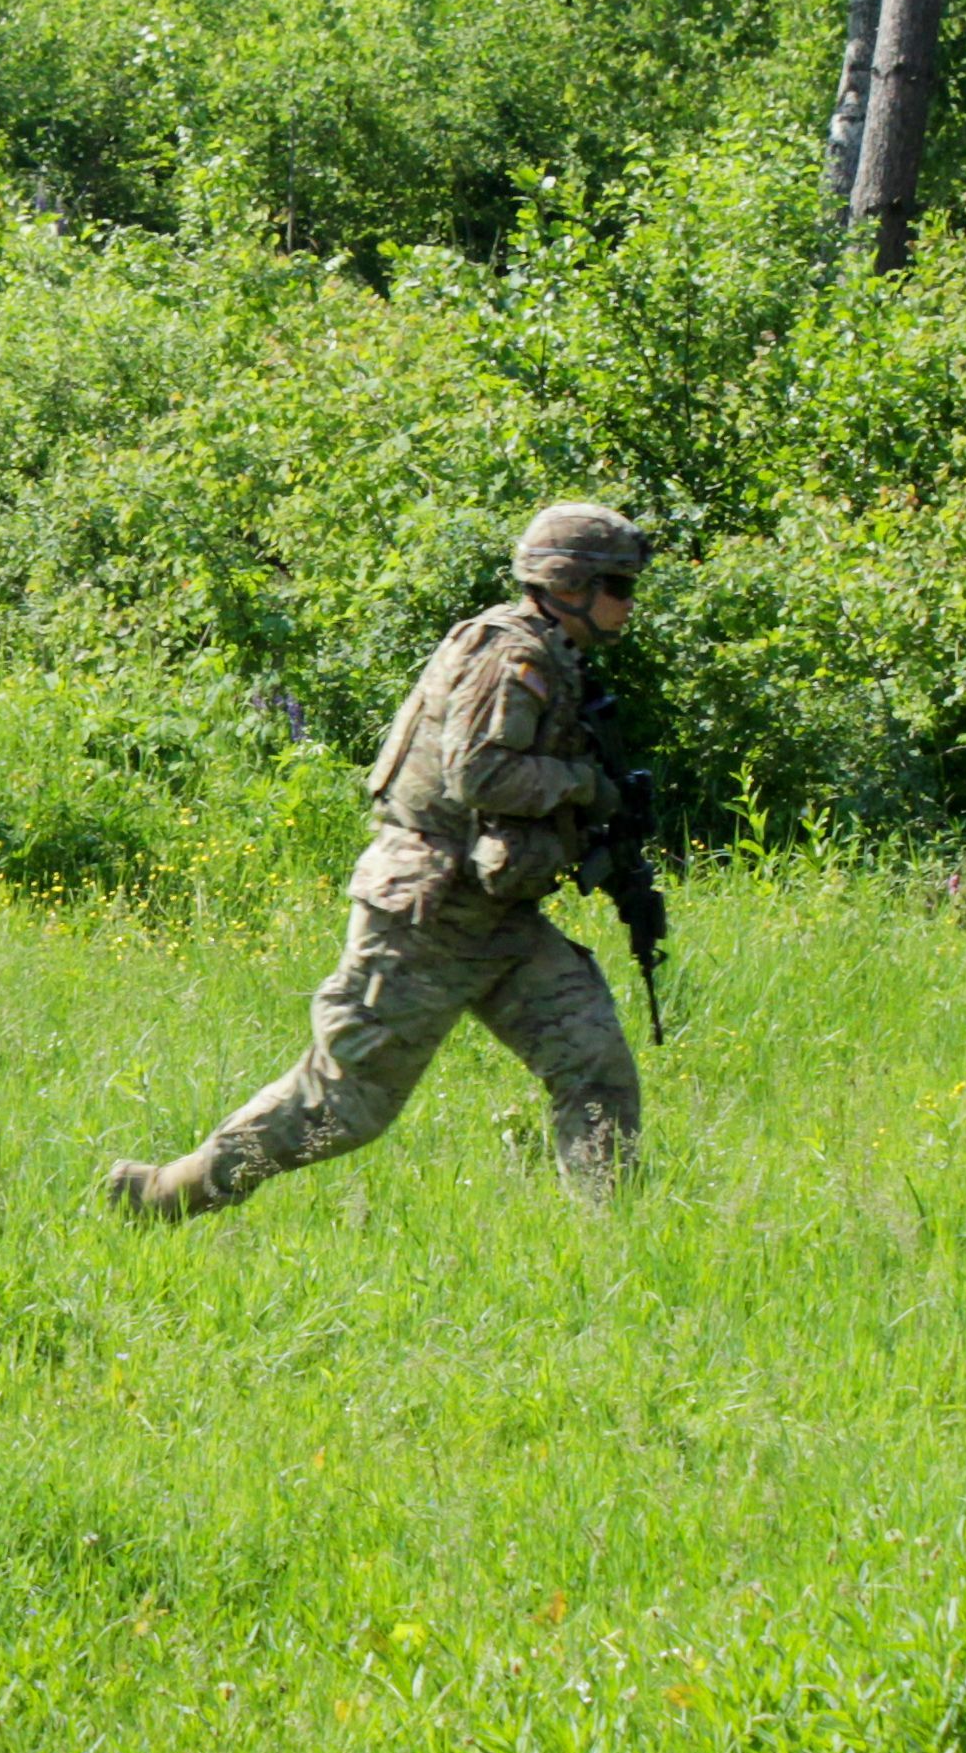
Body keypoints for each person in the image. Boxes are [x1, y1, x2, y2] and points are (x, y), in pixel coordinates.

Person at [107, 503, 654, 1219]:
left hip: (496, 917)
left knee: (594, 1067)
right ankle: (162, 1196)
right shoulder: (509, 656)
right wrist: (585, 786)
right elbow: (479, 776)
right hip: (425, 915)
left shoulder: (551, 656)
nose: (626, 604)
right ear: (567, 582)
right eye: (617, 586)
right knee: (341, 1104)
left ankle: (615, 1236)